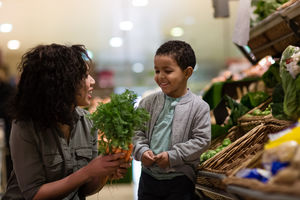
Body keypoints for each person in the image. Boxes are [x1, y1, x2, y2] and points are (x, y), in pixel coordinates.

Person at [3, 44, 130, 199]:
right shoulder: (25, 126)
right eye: (84, 75)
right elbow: (34, 194)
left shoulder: (88, 122)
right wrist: (88, 171)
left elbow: (84, 190)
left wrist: (104, 172)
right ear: (62, 82)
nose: (92, 81)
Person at [132, 40, 211, 200]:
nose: (160, 76)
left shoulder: (199, 106)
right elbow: (136, 132)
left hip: (180, 180)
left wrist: (173, 156)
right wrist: (141, 151)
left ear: (187, 72)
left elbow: (202, 140)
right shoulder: (148, 102)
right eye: (156, 70)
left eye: (167, 71)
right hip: (148, 179)